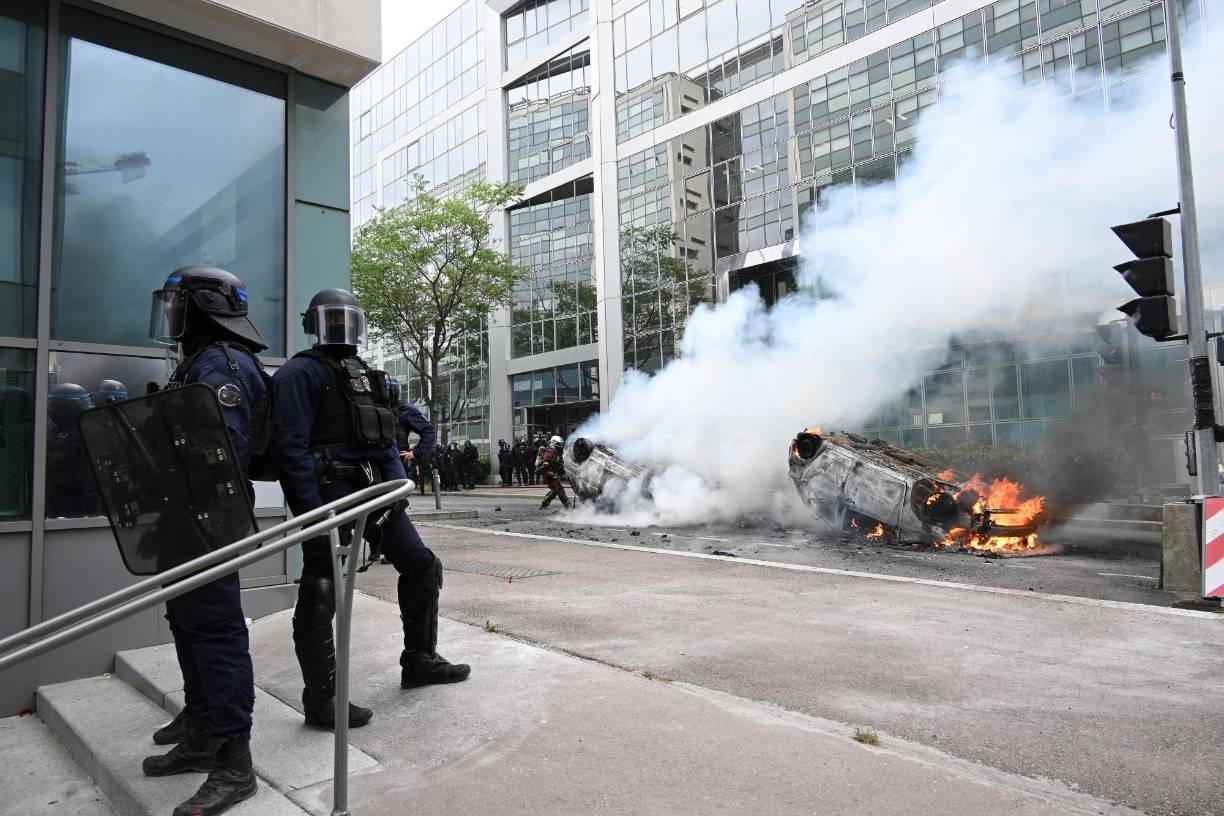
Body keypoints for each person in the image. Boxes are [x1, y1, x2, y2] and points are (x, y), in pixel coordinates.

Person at [271, 288, 470, 730]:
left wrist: (395, 492)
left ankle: (419, 660)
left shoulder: (363, 373)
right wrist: (312, 513)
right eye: (333, 320)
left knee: (421, 566)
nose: (341, 328)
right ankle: (322, 700)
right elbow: (291, 451)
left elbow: (383, 439)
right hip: (329, 496)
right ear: (315, 323)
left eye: (348, 319)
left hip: (377, 495)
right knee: (323, 589)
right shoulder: (298, 375)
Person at [143, 266, 267, 816]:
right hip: (183, 519)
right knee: (187, 621)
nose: (171, 313)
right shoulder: (196, 361)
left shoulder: (224, 364)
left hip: (209, 520)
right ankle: (200, 730)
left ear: (203, 307)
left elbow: (220, 449)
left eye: (178, 303)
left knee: (216, 631)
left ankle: (234, 763)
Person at [537, 435, 571, 510]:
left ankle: (568, 506)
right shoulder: (550, 450)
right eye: (559, 444)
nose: (560, 446)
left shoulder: (557, 454)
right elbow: (545, 459)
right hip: (548, 474)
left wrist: (563, 475)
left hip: (554, 474)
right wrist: (545, 463)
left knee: (560, 490)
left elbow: (560, 466)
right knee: (556, 489)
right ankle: (544, 505)